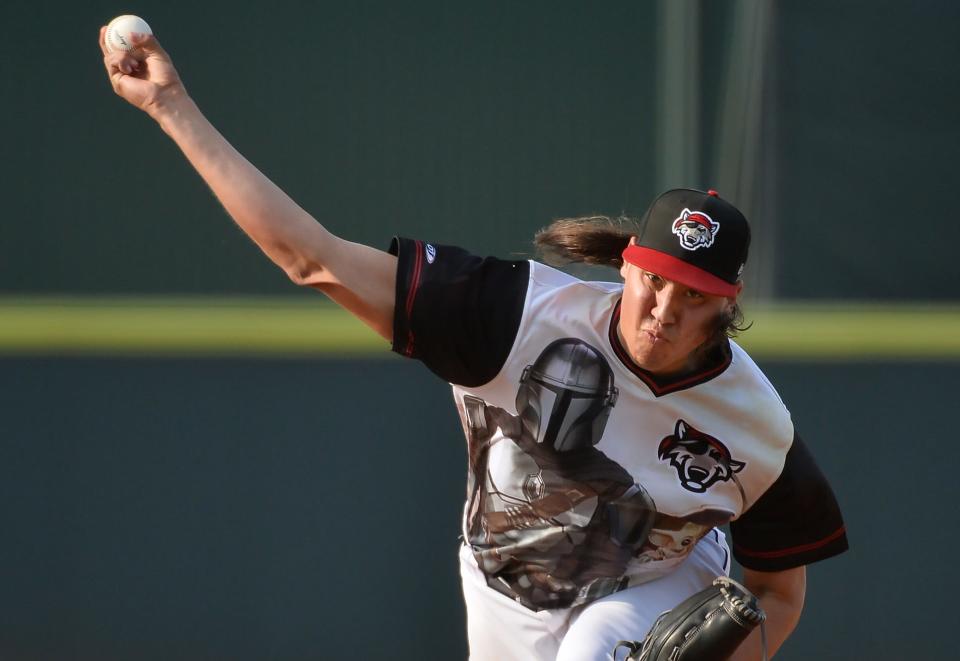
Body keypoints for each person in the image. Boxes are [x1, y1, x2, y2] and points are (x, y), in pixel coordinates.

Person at [99, 27, 848, 661]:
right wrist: (172, 107)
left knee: (593, 646)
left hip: (651, 591)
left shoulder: (753, 424)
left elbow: (778, 590)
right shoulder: (514, 316)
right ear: (628, 264)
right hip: (508, 591)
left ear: (727, 302)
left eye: (695, 295)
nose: (665, 309)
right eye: (656, 280)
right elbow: (312, 257)